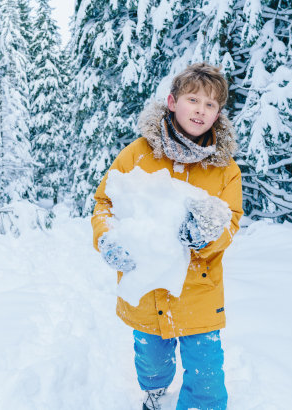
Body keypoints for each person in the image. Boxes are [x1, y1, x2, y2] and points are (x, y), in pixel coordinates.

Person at [91, 63, 243, 410]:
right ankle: (155, 392)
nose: (201, 110)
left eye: (211, 105)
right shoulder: (137, 154)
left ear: (218, 114)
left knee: (207, 374)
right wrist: (107, 238)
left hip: (199, 287)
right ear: (173, 102)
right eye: (193, 100)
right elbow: (104, 203)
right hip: (146, 287)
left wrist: (207, 236)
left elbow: (232, 221)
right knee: (152, 360)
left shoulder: (226, 169)